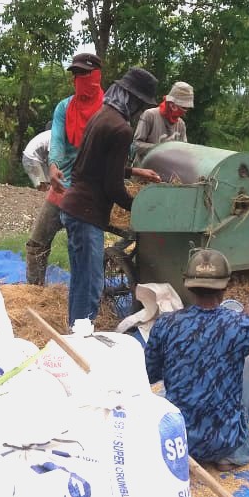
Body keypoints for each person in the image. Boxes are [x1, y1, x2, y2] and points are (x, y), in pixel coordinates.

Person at [144, 249, 249, 470]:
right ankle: (235, 453)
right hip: (224, 443)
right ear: (225, 286)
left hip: (177, 442)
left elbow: (149, 374)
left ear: (188, 284)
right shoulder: (243, 325)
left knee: (179, 383)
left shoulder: (166, 324)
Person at [59, 67, 163, 326]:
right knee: (92, 284)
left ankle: (75, 332)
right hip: (86, 213)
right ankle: (82, 339)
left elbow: (94, 162)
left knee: (81, 279)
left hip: (73, 207)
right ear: (133, 99)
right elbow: (112, 187)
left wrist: (133, 170)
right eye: (140, 104)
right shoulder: (121, 129)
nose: (140, 110)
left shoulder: (101, 116)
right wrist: (141, 207)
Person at [25, 52, 104, 286]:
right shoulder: (64, 107)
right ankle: (35, 291)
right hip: (61, 186)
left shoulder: (107, 110)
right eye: (76, 74)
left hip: (89, 193)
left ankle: (87, 298)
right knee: (37, 243)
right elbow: (57, 140)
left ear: (97, 75)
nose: (79, 78)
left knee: (82, 253)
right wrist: (53, 166)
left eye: (84, 73)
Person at [132, 81, 193, 163]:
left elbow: (183, 149)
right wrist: (162, 148)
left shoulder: (181, 124)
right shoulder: (150, 115)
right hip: (144, 170)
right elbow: (136, 145)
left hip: (167, 171)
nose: (186, 111)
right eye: (184, 108)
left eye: (188, 108)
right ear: (172, 105)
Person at [22, 121, 52, 191]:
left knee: (49, 183)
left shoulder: (48, 134)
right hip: (31, 158)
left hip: (37, 158)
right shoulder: (53, 136)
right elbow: (51, 157)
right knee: (42, 185)